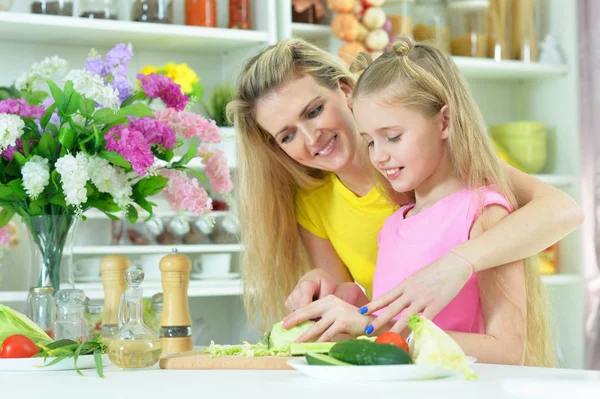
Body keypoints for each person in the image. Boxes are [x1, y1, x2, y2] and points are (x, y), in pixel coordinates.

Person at [225, 37, 583, 333]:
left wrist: (455, 264)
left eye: (314, 111)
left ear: (345, 90)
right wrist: (327, 288)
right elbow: (365, 307)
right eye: (287, 135)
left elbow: (562, 210)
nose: (311, 137)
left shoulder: (439, 163)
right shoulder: (313, 203)